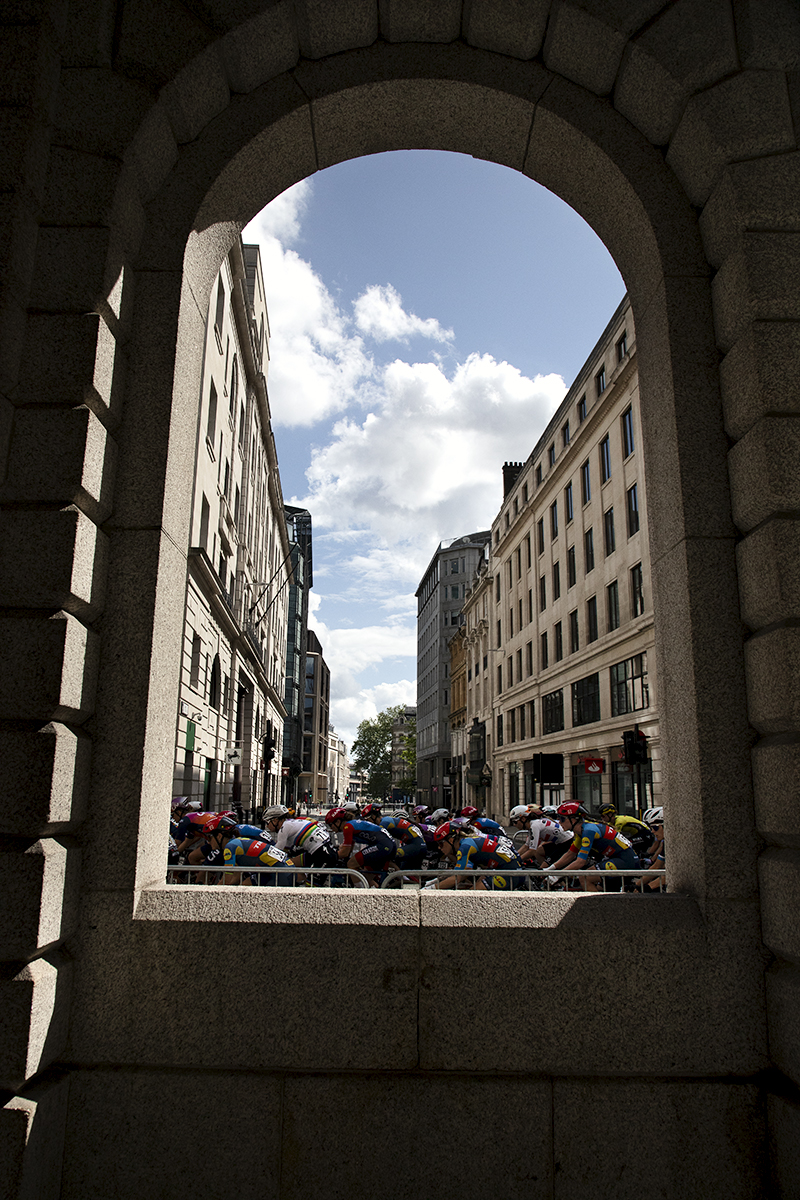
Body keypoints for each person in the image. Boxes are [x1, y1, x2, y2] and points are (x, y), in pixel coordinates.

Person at [549, 802, 637, 892]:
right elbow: (570, 854)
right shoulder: (581, 831)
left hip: (625, 860)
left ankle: (596, 906)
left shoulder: (588, 831)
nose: (559, 821)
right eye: (558, 818)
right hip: (619, 859)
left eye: (562, 819)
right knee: (601, 889)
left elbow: (580, 862)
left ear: (574, 819)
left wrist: (558, 875)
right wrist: (550, 869)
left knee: (585, 878)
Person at [429, 820, 523, 891]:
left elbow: (457, 878)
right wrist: (435, 881)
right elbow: (467, 871)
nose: (439, 848)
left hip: (508, 873)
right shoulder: (467, 842)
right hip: (508, 870)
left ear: (450, 840)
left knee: (470, 898)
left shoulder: (465, 847)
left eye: (440, 844)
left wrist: (430, 889)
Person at [325, 807, 396, 887]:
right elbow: (349, 848)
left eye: (331, 824)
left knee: (351, 864)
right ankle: (374, 892)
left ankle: (360, 893)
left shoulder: (347, 827)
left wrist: (330, 856)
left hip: (383, 845)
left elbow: (345, 852)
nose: (331, 828)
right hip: (387, 844)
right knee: (366, 878)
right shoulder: (352, 824)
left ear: (338, 822)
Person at [381, 810, 427, 876]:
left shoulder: (389, 823)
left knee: (389, 857)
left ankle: (400, 874)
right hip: (420, 847)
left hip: (415, 846)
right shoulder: (410, 826)